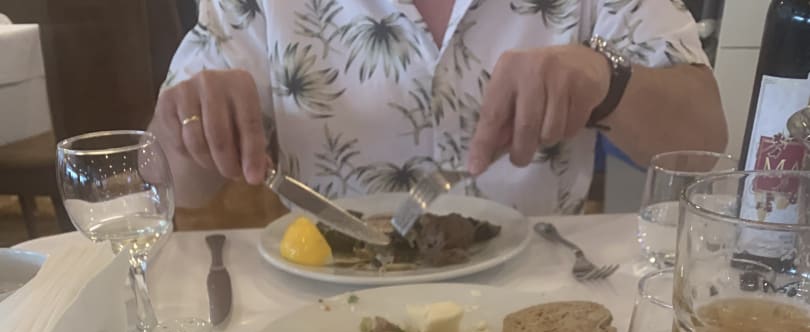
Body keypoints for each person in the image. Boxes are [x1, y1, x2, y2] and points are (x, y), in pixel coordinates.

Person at [151, 0, 728, 216]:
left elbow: (703, 142)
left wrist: (607, 79)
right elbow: (175, 187)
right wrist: (192, 127)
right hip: (322, 307)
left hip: (536, 309)